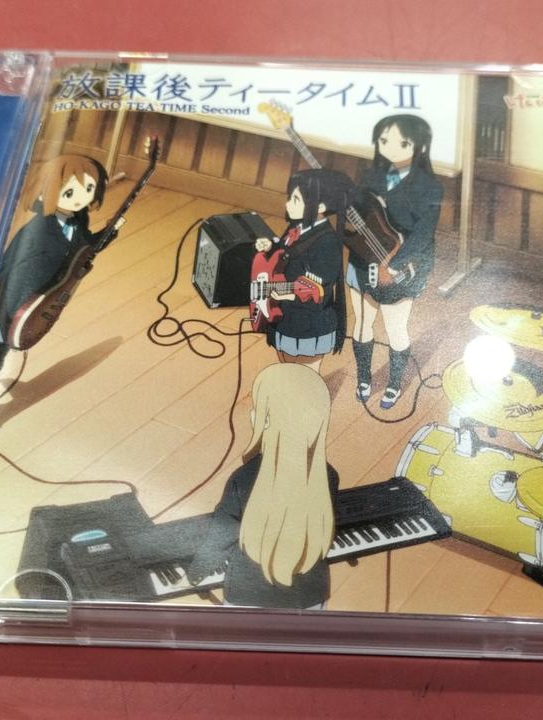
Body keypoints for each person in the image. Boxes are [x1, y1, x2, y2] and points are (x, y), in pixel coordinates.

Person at [0, 153, 113, 433]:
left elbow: (84, 251)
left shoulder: (76, 222)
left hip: (33, 302)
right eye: (69, 192)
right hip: (11, 306)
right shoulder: (36, 231)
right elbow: (9, 271)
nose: (80, 198)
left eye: (88, 189)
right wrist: (12, 318)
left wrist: (109, 233)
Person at [186, 363, 339, 609]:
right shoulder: (328, 475)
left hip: (248, 596)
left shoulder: (244, 477)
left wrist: (195, 573)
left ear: (266, 420)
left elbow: (221, 535)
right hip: (310, 595)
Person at [347, 114, 443, 409]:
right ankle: (364, 377)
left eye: (402, 143)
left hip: (404, 263)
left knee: (395, 327)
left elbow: (423, 233)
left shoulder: (430, 187)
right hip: (364, 257)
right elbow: (357, 216)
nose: (390, 147)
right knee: (362, 323)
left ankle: (394, 383)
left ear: (419, 146)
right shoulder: (370, 177)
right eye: (384, 140)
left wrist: (395, 265)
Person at [254, 169, 352, 374]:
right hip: (285, 318)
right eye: (290, 198)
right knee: (287, 370)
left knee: (306, 377)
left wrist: (285, 293)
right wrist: (272, 246)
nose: (288, 204)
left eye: (296, 200)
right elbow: (285, 252)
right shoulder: (297, 228)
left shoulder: (327, 243)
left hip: (309, 324)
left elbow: (317, 292)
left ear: (321, 207)